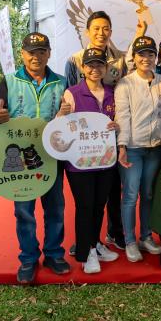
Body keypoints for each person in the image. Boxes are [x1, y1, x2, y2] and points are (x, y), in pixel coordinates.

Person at [0, 32, 71, 283]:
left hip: (51, 156)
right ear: (22, 54)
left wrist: (67, 114)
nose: (36, 57)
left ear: (49, 54)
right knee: (23, 210)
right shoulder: (10, 81)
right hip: (18, 161)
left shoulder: (61, 82)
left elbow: (72, 121)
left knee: (55, 207)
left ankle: (54, 254)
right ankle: (28, 258)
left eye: (41, 51)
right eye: (31, 52)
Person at [64, 10, 127, 251]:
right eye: (96, 28)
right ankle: (85, 244)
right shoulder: (75, 60)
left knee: (111, 190)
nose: (101, 33)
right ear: (88, 31)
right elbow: (70, 94)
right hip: (83, 139)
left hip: (109, 137)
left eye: (106, 28)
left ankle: (112, 233)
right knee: (86, 199)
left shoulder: (119, 59)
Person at [57, 48, 121, 273]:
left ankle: (95, 244)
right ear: (83, 68)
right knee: (85, 206)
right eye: (90, 65)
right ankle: (87, 253)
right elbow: (60, 127)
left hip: (105, 160)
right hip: (79, 163)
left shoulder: (113, 93)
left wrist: (117, 126)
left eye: (99, 64)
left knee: (99, 205)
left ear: (106, 68)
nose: (95, 69)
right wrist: (61, 114)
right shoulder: (72, 93)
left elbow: (118, 122)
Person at [114, 36, 161, 262]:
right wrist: (122, 146)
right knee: (130, 195)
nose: (146, 58)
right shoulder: (125, 83)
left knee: (149, 194)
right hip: (133, 148)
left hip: (156, 147)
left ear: (156, 58)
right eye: (141, 54)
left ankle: (146, 237)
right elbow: (122, 116)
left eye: (151, 54)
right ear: (134, 57)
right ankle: (130, 241)